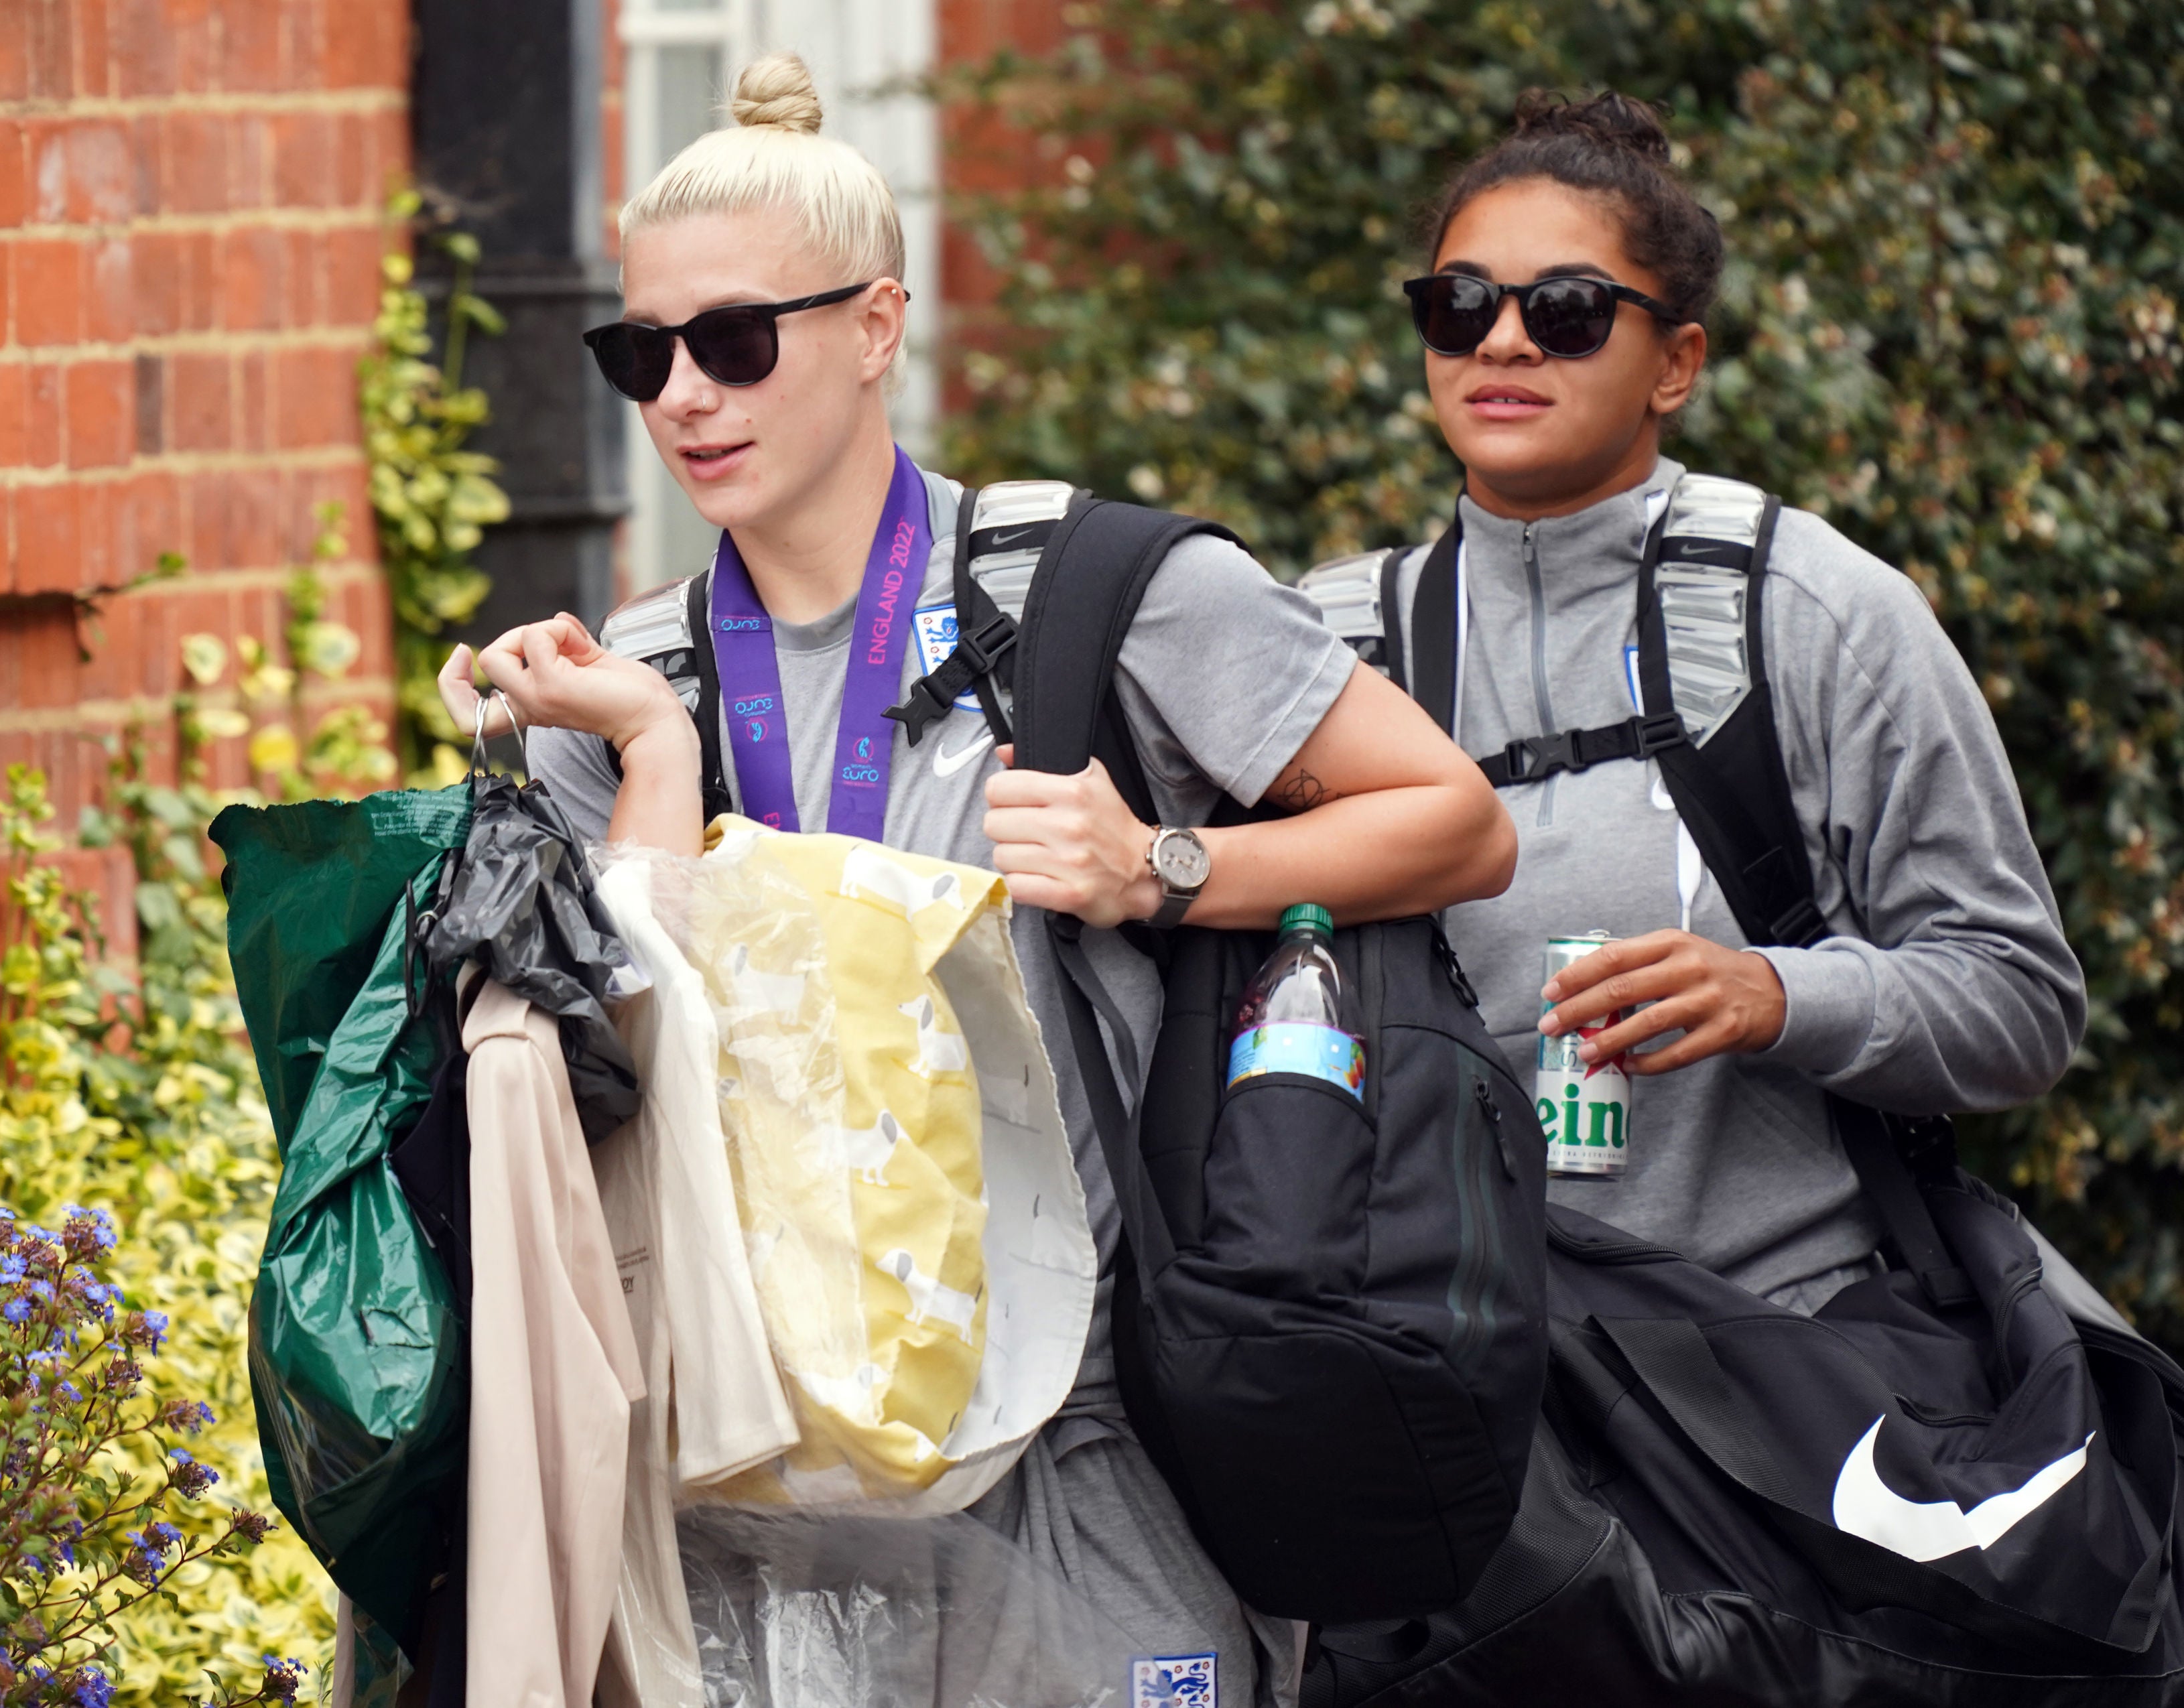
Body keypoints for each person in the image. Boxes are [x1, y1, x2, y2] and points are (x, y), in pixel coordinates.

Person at [434, 53, 1517, 1708]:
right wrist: (646, 755)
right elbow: (621, 1081)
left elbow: (1453, 821)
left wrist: (1160, 865)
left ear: (875, 328)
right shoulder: (635, 676)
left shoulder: (1101, 587)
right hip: (760, 1482)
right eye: (639, 354)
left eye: (735, 341)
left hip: (1084, 1451)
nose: (683, 399)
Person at [1384, 89, 2084, 1312]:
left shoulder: (1816, 612)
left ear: (1678, 362)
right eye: (1459, 305)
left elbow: (2019, 1003)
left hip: (1788, 1366)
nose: (1502, 344)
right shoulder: (1338, 648)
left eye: (1567, 311)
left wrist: (1776, 993)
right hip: (1456, 1386)